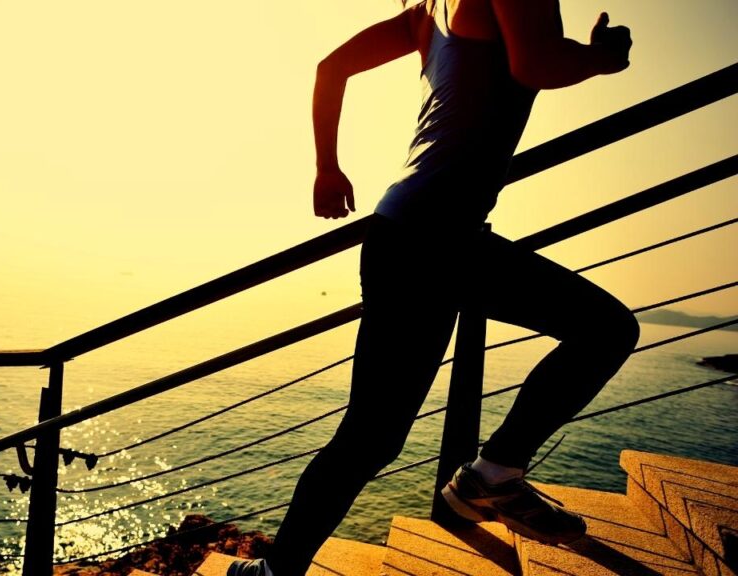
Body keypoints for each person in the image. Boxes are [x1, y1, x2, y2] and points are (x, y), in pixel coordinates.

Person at [229, 1, 636, 575]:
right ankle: (490, 476)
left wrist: (327, 166)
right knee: (606, 330)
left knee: (371, 438)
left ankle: (278, 570)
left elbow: (331, 68)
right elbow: (535, 66)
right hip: (435, 238)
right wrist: (600, 60)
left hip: (413, 234)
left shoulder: (428, 12)